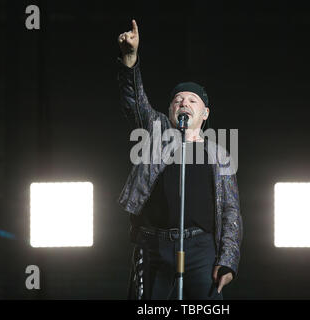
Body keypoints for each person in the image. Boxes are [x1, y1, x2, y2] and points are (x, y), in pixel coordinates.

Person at [117, 19, 243, 300]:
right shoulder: (157, 132)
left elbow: (231, 211)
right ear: (170, 110)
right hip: (155, 245)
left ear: (205, 113)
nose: (184, 103)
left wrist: (228, 259)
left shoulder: (218, 153)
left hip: (201, 248)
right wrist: (130, 59)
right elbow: (134, 103)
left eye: (192, 100)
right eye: (178, 100)